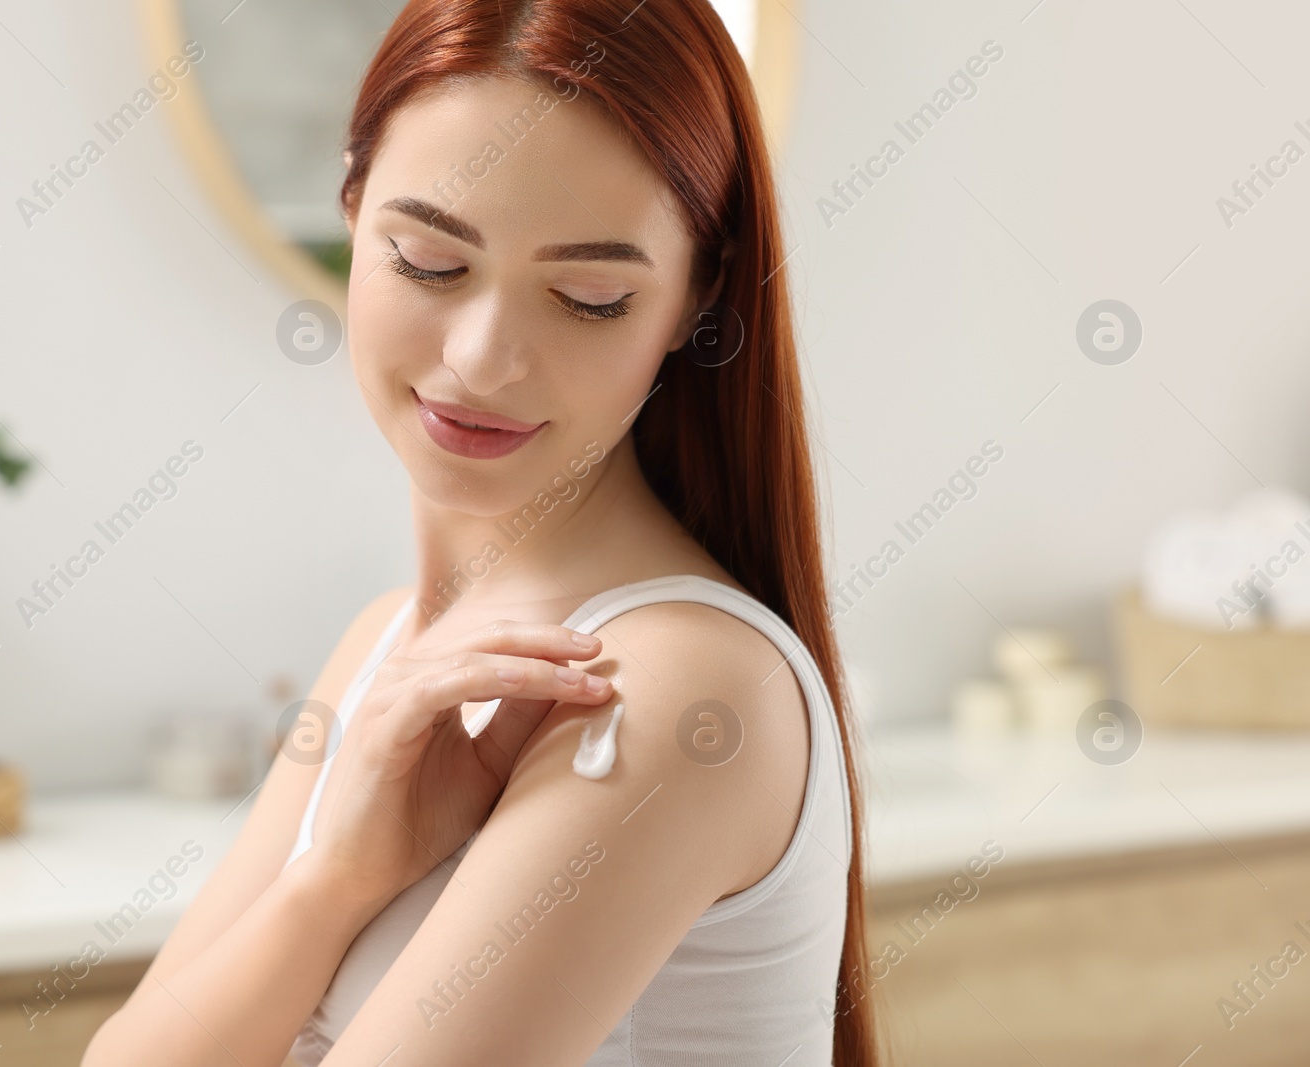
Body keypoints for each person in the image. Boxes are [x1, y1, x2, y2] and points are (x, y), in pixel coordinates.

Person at [83, 1, 876, 1064]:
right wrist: (337, 879)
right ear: (351, 207)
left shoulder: (678, 685)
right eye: (428, 260)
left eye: (589, 297)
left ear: (698, 296)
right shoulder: (381, 649)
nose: (483, 358)